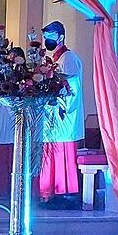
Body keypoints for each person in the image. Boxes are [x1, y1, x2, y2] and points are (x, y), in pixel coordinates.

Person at [38, 21, 84, 208]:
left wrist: (55, 96)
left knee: (61, 153)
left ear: (61, 37)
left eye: (51, 36)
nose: (47, 40)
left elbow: (71, 88)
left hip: (64, 116)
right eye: (46, 37)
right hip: (52, 117)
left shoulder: (69, 59)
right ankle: (50, 192)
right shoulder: (56, 60)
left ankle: (64, 193)